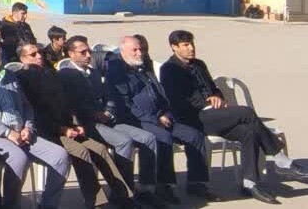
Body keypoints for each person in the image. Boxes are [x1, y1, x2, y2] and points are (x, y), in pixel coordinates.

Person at [160, 30, 306, 203]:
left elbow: (214, 89)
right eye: (185, 45)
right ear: (174, 47)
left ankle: (250, 183)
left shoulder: (199, 64)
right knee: (246, 112)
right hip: (194, 118)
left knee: (248, 131)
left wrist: (217, 97)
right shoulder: (169, 69)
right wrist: (207, 102)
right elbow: (178, 101)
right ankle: (280, 160)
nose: (191, 48)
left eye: (192, 43)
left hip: (214, 115)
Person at [17, 42, 133, 209]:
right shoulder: (22, 79)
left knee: (100, 149)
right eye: (33, 54)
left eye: (40, 52)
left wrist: (74, 124)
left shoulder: (50, 73)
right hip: (44, 131)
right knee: (81, 152)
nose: (39, 56)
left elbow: (65, 103)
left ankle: (124, 196)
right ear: (22, 59)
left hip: (66, 126)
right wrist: (61, 129)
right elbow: (34, 113)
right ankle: (96, 202)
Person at [0, 38, 70, 209]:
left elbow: (26, 105)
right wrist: (6, 132)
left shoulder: (9, 75)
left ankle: (48, 205)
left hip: (22, 132)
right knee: (19, 158)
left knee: (60, 156)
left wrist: (28, 127)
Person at [57, 36, 162, 206]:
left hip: (107, 118)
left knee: (148, 138)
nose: (88, 55)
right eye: (83, 52)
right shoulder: (65, 75)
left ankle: (146, 189)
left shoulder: (93, 71)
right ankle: (124, 193)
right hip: (87, 123)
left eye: (89, 51)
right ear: (71, 54)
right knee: (124, 141)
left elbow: (109, 95)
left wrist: (108, 111)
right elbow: (71, 105)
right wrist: (95, 114)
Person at [105, 35, 210, 204]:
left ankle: (196, 183)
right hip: (136, 120)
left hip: (160, 116)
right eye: (135, 50)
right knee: (163, 137)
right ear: (123, 51)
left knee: (194, 136)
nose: (140, 53)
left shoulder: (144, 65)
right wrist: (155, 119)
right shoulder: (117, 71)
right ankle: (161, 186)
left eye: (141, 49)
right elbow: (125, 105)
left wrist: (167, 112)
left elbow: (160, 91)